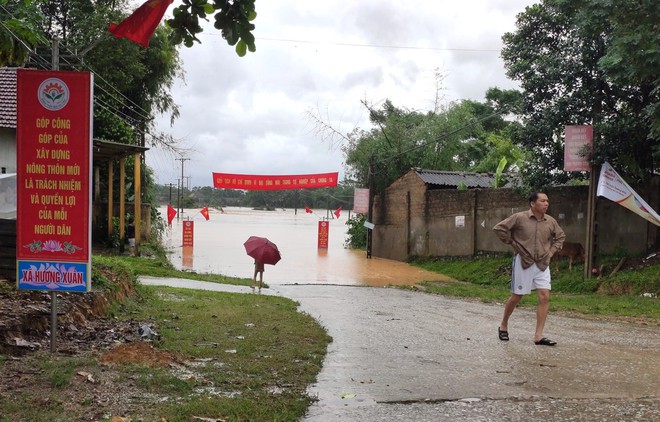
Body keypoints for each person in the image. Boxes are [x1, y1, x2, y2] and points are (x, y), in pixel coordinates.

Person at [493, 192, 566, 346]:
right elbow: (499, 228)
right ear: (533, 203)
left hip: (542, 263)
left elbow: (560, 237)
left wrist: (551, 252)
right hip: (523, 261)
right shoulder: (519, 218)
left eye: (547, 201)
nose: (546, 203)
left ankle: (538, 336)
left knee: (544, 296)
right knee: (517, 296)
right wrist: (513, 244)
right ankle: (504, 325)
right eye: (542, 201)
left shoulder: (550, 221)